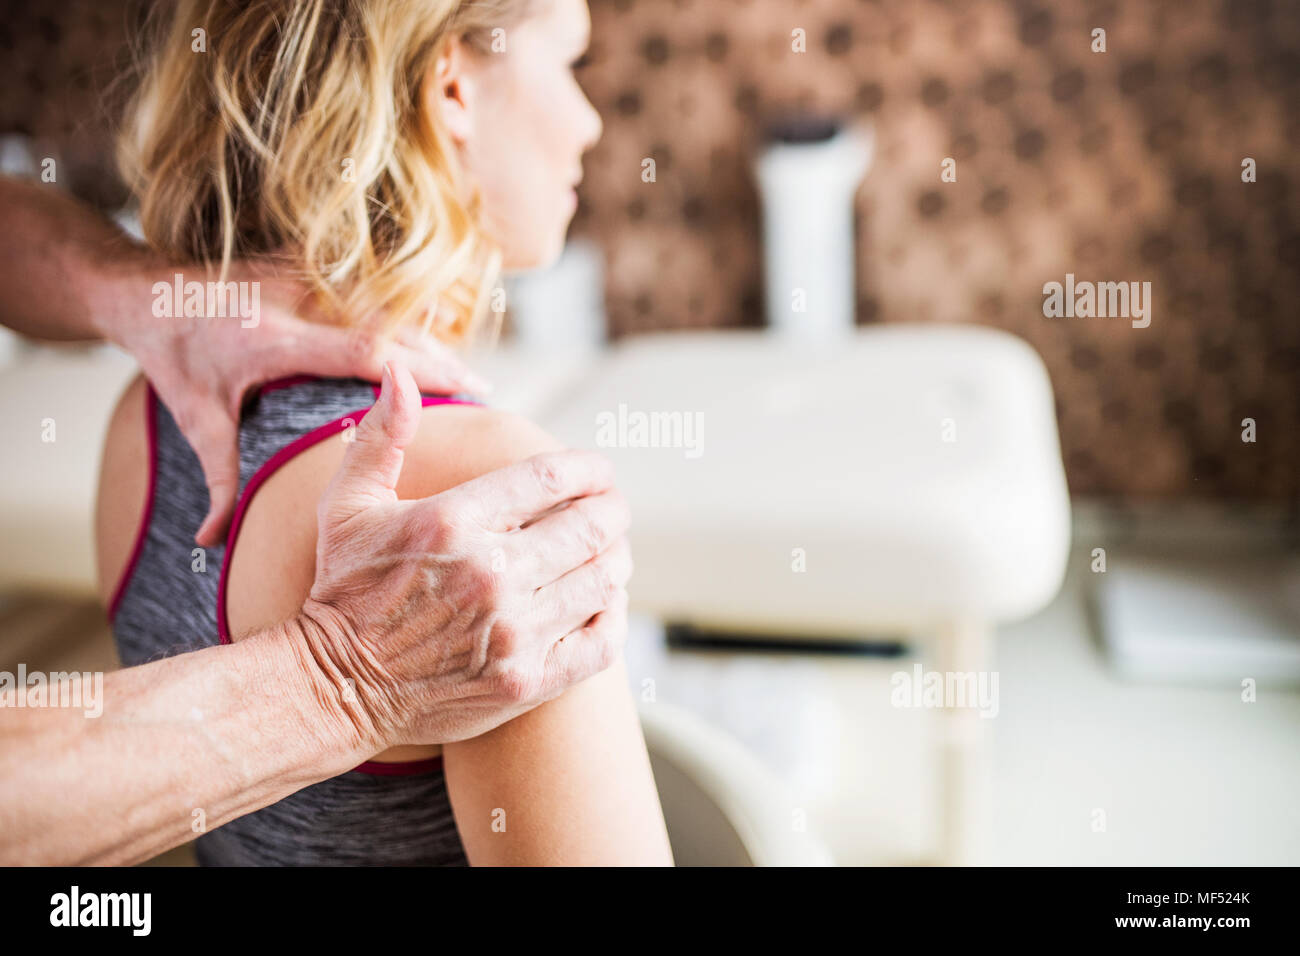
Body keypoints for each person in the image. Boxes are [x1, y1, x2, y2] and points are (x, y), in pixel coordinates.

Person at [91, 0, 672, 865]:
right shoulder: (482, 501)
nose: (588, 120)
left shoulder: (148, 412)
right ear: (452, 86)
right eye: (570, 62)